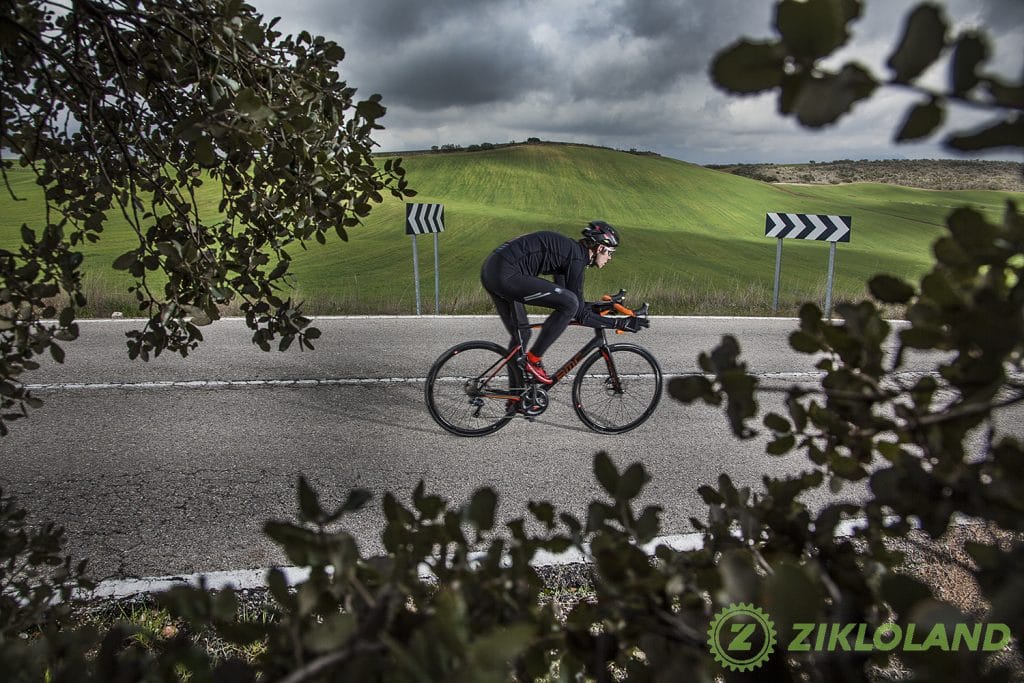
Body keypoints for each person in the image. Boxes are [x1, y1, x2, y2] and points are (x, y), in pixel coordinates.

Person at [480, 220, 649, 385]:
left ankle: (515, 398)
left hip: (492, 271)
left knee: (522, 335)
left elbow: (570, 300)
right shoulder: (576, 258)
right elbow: (577, 310)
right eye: (610, 252)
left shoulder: (569, 252)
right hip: (506, 274)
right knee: (569, 304)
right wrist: (620, 323)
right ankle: (533, 360)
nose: (610, 258)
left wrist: (603, 306)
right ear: (600, 247)